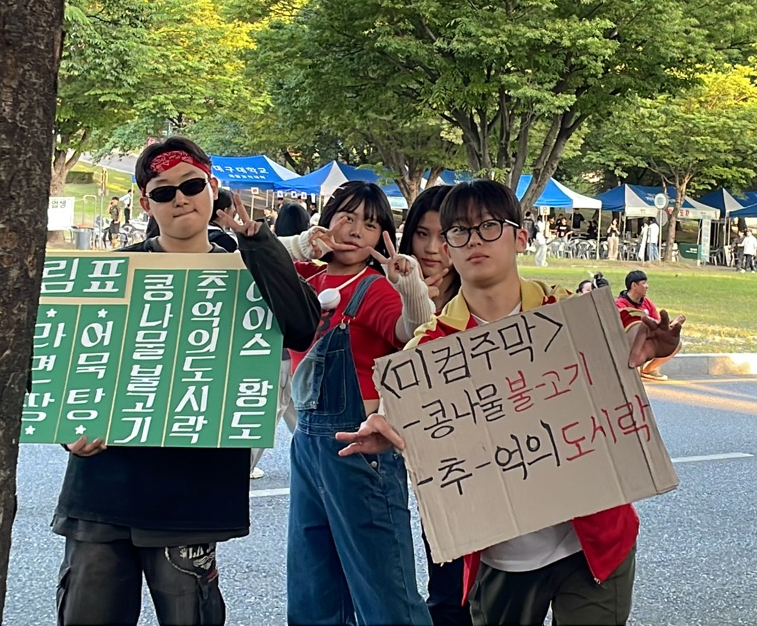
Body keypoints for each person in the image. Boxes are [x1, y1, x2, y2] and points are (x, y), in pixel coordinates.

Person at [335, 180, 684, 626]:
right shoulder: (433, 344)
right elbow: (401, 400)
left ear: (520, 237)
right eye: (459, 231)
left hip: (596, 543)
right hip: (501, 557)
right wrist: (384, 424)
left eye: (489, 226)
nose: (474, 240)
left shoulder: (565, 309)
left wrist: (652, 340)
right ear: (448, 248)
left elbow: (629, 326)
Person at [52, 137, 320, 626]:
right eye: (163, 191)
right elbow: (66, 359)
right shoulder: (112, 271)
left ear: (213, 188)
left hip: (192, 492)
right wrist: (67, 429)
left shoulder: (248, 266)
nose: (180, 199)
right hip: (103, 487)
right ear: (144, 203)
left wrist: (257, 242)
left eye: (192, 185)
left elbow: (302, 326)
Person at [279, 181, 436, 626]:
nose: (354, 231)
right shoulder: (305, 277)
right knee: (312, 586)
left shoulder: (375, 287)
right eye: (346, 217)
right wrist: (300, 244)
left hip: (361, 448)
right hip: (307, 443)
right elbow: (249, 261)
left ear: (381, 236)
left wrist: (410, 287)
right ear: (326, 219)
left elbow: (416, 332)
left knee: (385, 593)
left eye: (369, 224)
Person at [401, 186, 470, 626]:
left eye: (444, 236)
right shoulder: (392, 287)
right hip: (432, 464)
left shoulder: (481, 293)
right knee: (446, 583)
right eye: (421, 234)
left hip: (490, 453)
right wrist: (412, 296)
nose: (431, 249)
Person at [248, 203, 315, 480]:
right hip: (298, 355)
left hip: (269, 352)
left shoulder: (269, 261)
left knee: (270, 412)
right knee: (293, 414)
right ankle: (315, 461)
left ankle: (246, 465)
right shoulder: (310, 267)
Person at [616, 270, 680, 381]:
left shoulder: (647, 303)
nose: (647, 286)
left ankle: (649, 369)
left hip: (650, 339)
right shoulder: (620, 304)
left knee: (677, 344)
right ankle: (633, 368)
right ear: (634, 285)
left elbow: (657, 322)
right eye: (643, 283)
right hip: (629, 342)